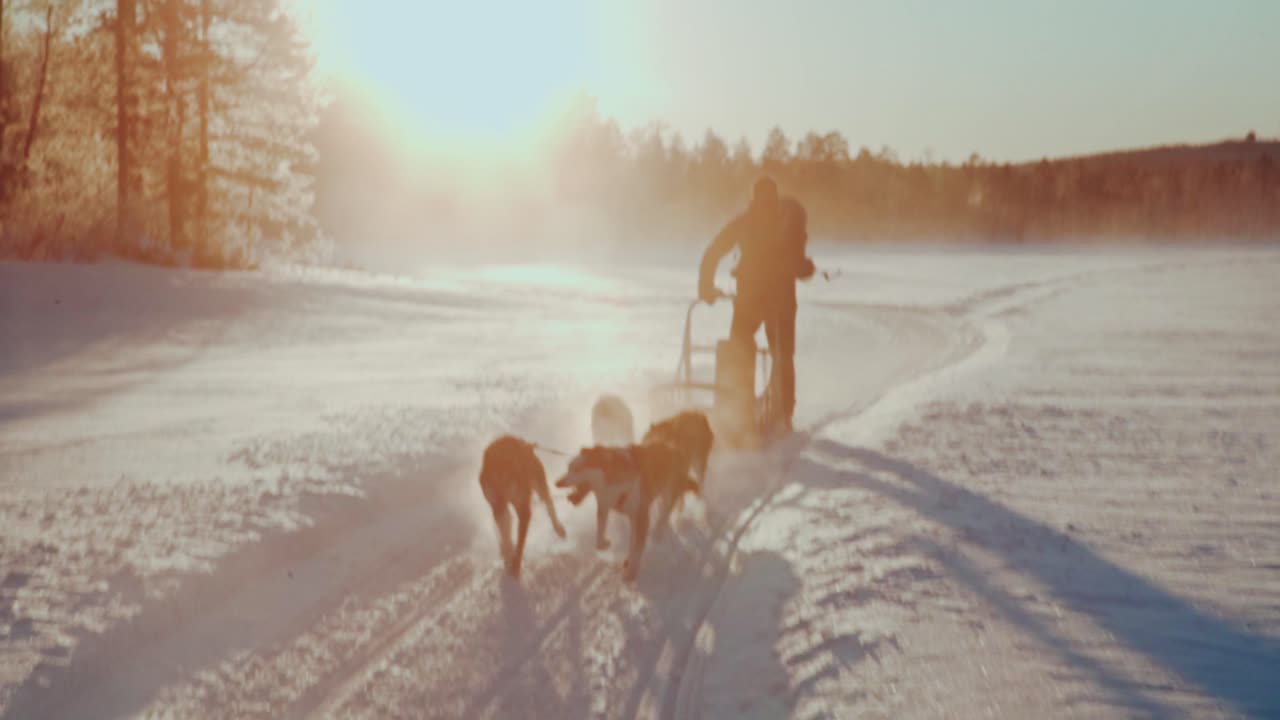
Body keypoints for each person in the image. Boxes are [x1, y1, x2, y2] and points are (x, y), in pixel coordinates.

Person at [698, 176, 814, 432]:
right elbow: (798, 264)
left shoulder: (751, 223)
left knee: (767, 352)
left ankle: (762, 411)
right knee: (772, 353)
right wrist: (805, 268)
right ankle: (744, 408)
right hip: (766, 299)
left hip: (765, 300)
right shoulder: (783, 224)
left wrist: (705, 285)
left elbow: (714, 250)